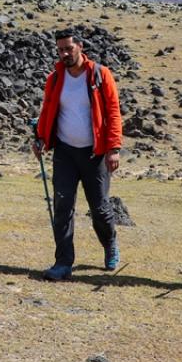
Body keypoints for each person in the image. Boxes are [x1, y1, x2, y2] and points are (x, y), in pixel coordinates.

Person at [32, 28, 124, 281]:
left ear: (80, 47)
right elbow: (47, 109)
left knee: (100, 208)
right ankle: (63, 263)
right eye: (60, 50)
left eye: (68, 49)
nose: (64, 54)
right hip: (64, 152)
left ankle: (109, 242)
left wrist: (114, 148)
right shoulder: (55, 79)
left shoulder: (100, 75)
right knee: (62, 206)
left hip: (95, 154)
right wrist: (40, 137)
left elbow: (113, 112)